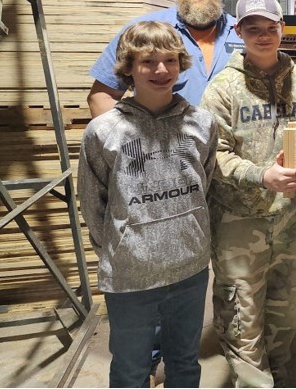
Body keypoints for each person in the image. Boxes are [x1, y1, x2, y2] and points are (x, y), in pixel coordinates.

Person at [77, 21, 218, 388]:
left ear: (181, 64)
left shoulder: (201, 124)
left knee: (185, 364)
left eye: (170, 60)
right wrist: (122, 246)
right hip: (131, 276)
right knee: (130, 369)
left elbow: (205, 185)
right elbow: (93, 204)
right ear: (128, 68)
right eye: (148, 62)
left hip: (189, 270)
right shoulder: (104, 131)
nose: (161, 70)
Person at [200, 0, 296, 387]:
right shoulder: (222, 89)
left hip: (291, 219)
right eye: (252, 29)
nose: (263, 36)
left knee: (284, 309)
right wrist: (261, 175)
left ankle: (280, 374)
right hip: (239, 222)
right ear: (238, 32)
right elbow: (213, 157)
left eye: (270, 28)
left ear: (281, 29)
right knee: (241, 312)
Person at [88, 0, 240, 118]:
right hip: (163, 143)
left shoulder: (243, 34)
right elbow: (101, 97)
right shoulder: (141, 31)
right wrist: (134, 139)